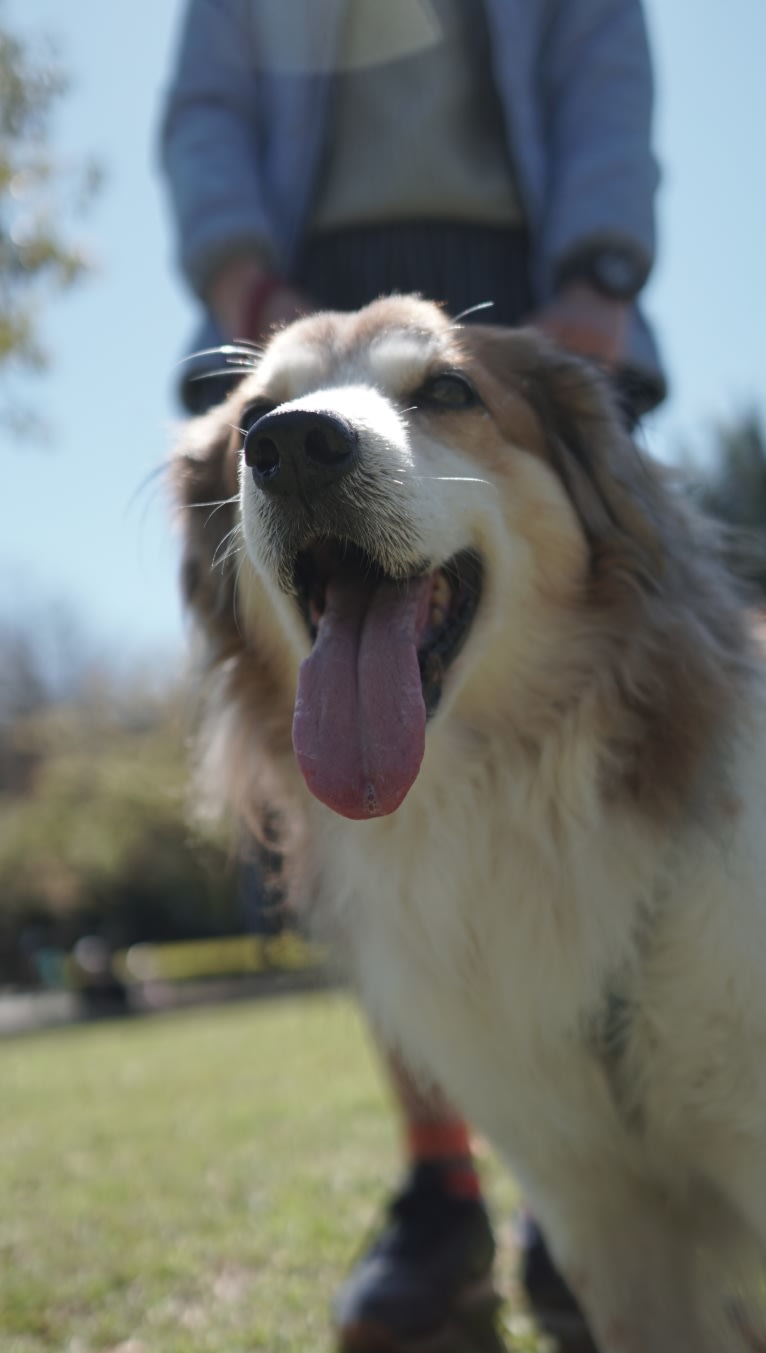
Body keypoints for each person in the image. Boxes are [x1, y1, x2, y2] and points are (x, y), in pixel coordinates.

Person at [159, 3, 665, 1349]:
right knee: (359, 794)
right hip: (298, 295)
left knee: (604, 772)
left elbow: (598, 62)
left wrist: (599, 276)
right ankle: (444, 1181)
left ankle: (596, 1182)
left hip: (517, 288)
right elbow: (206, 107)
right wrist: (241, 289)